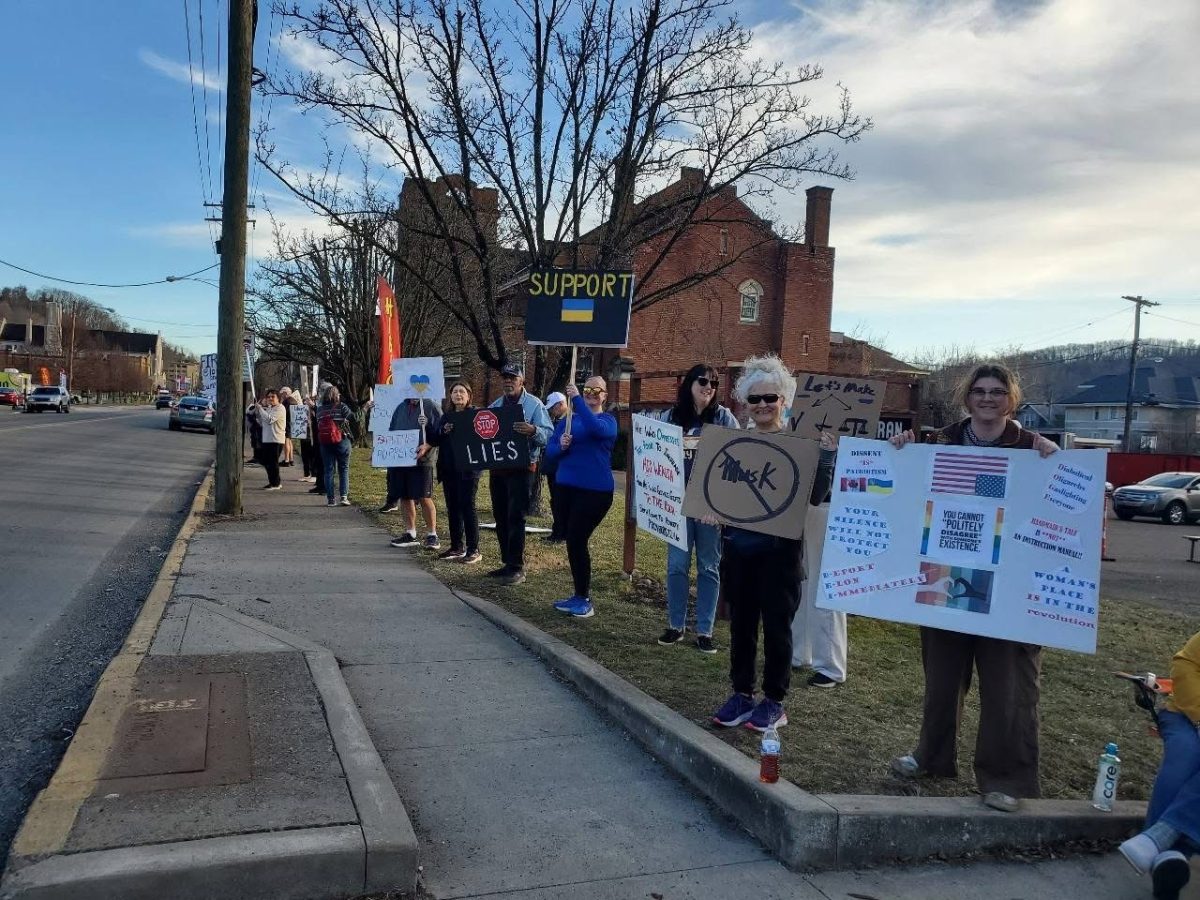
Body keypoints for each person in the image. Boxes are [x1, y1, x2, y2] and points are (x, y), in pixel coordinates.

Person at [887, 363, 1058, 813]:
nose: (987, 398)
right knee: (941, 680)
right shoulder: (939, 442)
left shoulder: (1034, 450)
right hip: (947, 579)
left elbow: (1056, 509)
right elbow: (905, 492)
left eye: (997, 391)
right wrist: (901, 451)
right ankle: (932, 756)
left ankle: (1007, 778)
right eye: (979, 391)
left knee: (1008, 687)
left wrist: (1054, 464)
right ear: (967, 398)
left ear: (1012, 399)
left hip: (1008, 589)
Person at [710, 355, 836, 733]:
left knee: (778, 629)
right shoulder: (733, 443)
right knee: (742, 626)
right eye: (755, 399)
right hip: (739, 549)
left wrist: (826, 457)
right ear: (745, 403)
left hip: (780, 553)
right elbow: (715, 491)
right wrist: (709, 510)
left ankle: (775, 702)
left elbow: (815, 495)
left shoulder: (801, 444)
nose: (763, 405)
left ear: (784, 400)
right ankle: (742, 694)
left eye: (771, 398)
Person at [657, 364, 738, 654]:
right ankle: (675, 626)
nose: (708, 387)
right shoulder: (670, 417)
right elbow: (656, 455)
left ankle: (704, 630)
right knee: (677, 566)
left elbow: (737, 458)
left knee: (708, 566)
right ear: (689, 383)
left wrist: (722, 505)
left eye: (714, 383)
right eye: (703, 381)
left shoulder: (724, 418)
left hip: (709, 508)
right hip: (677, 505)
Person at [1118, 632, 1200, 900]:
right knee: (1185, 756)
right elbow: (1185, 665)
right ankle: (1167, 852)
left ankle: (1160, 844)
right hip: (1186, 714)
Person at [545, 377, 618, 618]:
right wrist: (562, 446)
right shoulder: (567, 422)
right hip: (566, 489)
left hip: (595, 493)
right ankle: (578, 595)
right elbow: (551, 451)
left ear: (605, 396)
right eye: (588, 389)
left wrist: (576, 398)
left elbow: (596, 430)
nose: (592, 393)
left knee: (577, 537)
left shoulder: (608, 421)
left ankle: (584, 599)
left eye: (598, 390)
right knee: (572, 540)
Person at [487, 362, 552, 586]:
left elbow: (549, 435)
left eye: (512, 378)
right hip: (498, 469)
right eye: (505, 377)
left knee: (516, 517)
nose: (508, 381)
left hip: (522, 470)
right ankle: (507, 562)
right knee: (500, 516)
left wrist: (533, 430)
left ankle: (517, 567)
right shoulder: (495, 405)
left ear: (521, 380)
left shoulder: (534, 405)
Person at [431, 382, 482, 564]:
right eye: (454, 392)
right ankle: (456, 547)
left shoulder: (475, 415)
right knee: (453, 508)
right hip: (449, 469)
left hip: (468, 470)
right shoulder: (446, 417)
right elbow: (435, 439)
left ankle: (473, 549)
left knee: (468, 507)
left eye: (462, 392)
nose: (458, 395)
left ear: (469, 395)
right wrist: (443, 431)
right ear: (450, 396)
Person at [384, 396, 442, 549]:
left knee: (424, 496)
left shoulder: (430, 405)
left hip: (423, 460)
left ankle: (432, 535)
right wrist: (383, 450)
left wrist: (427, 440)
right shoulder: (400, 407)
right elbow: (392, 431)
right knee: (405, 496)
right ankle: (410, 533)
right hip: (402, 460)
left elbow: (441, 432)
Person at [316, 384, 355, 507]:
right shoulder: (341, 407)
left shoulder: (320, 409)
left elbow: (318, 424)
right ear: (336, 395)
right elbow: (353, 418)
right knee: (343, 469)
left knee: (328, 470)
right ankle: (343, 497)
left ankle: (331, 499)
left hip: (325, 442)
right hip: (341, 441)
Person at [541, 391, 568, 543]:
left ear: (561, 405)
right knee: (555, 501)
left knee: (560, 502)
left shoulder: (569, 421)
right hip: (553, 469)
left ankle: (561, 533)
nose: (551, 411)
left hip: (561, 469)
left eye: (553, 408)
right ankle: (557, 531)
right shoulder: (557, 421)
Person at [248, 388, 286, 490]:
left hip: (276, 439)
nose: (270, 399)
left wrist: (260, 409)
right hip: (267, 439)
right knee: (265, 461)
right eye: (268, 397)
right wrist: (257, 412)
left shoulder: (280, 408)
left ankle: (276, 483)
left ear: (278, 398)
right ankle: (272, 481)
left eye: (273, 397)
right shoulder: (269, 408)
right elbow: (262, 421)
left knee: (273, 462)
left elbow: (270, 419)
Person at [279, 386, 297, 467]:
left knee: (286, 440)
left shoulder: (287, 401)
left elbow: (283, 412)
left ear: (285, 393)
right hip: (292, 423)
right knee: (290, 441)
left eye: (282, 394)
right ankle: (291, 459)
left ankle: (286, 460)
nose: (281, 395)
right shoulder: (294, 400)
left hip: (287, 423)